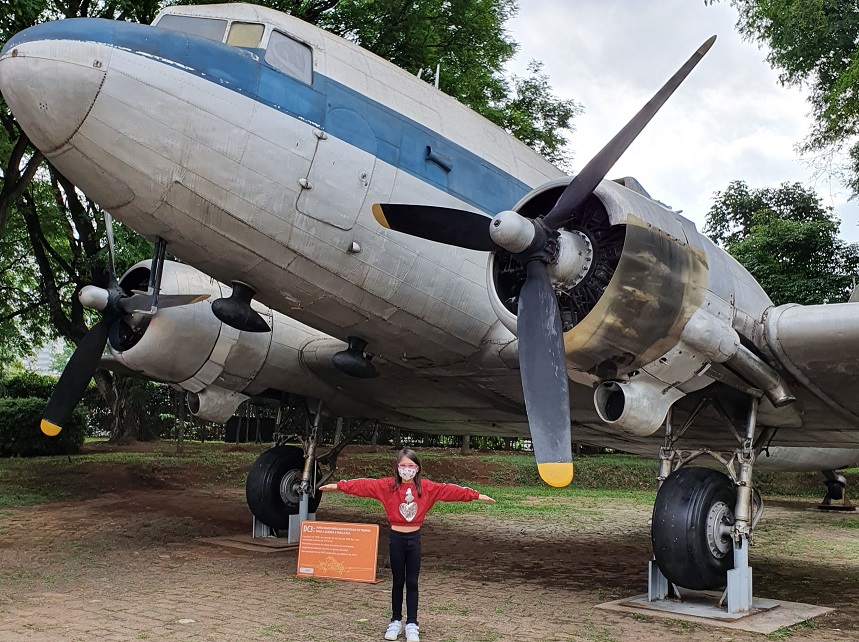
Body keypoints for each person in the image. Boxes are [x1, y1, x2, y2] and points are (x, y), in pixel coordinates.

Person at [319, 448, 495, 642]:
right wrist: (339, 486)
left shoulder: (427, 488)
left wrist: (475, 495)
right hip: (396, 539)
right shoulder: (388, 486)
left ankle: (412, 623)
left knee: (412, 582)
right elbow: (364, 485)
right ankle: (395, 621)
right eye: (403, 465)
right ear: (397, 468)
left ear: (417, 468)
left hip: (414, 540)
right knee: (397, 582)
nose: (407, 470)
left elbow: (450, 490)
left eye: (410, 466)